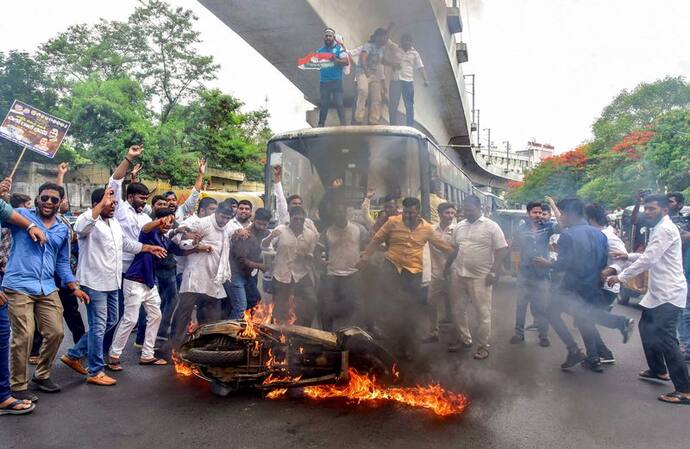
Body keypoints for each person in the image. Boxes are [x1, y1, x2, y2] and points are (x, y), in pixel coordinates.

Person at [3, 182, 89, 397]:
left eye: (54, 199)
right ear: (37, 199)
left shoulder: (62, 228)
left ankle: (41, 375)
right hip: (18, 285)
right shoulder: (22, 215)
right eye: (44, 198)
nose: (48, 202)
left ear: (61, 203)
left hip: (47, 286)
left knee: (56, 332)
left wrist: (73, 285)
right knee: (24, 335)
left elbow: (61, 262)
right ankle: (18, 386)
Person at [607, 195, 690, 405]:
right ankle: (658, 370)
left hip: (669, 293)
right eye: (646, 208)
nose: (648, 212)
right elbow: (651, 255)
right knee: (646, 328)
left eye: (652, 209)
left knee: (667, 339)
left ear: (664, 210)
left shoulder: (665, 229)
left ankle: (685, 389)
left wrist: (621, 276)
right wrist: (628, 256)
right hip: (659, 293)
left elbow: (649, 259)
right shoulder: (660, 228)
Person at [534, 198, 633, 372]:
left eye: (562, 213)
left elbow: (565, 264)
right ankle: (594, 358)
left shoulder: (568, 235)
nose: (561, 217)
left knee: (552, 312)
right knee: (585, 317)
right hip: (592, 284)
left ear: (571, 214)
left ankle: (575, 349)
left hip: (572, 285)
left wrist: (547, 263)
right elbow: (602, 262)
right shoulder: (600, 235)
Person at [360, 197, 455, 358]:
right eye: (405, 213)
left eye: (411, 213)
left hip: (413, 273)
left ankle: (408, 345)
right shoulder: (392, 222)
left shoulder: (427, 229)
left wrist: (450, 265)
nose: (407, 216)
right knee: (391, 307)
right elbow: (377, 239)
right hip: (391, 268)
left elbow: (447, 249)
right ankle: (393, 343)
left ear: (418, 212)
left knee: (410, 310)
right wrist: (364, 258)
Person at [109, 210, 203, 369]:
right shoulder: (148, 234)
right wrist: (161, 222)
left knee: (155, 316)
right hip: (135, 281)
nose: (168, 224)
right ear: (157, 221)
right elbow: (146, 227)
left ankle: (147, 355)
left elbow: (181, 251)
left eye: (171, 222)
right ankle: (114, 356)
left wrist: (198, 246)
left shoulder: (164, 239)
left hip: (149, 283)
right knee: (130, 320)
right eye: (165, 221)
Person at [60, 187, 131, 386]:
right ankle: (95, 370)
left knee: (111, 321)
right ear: (97, 204)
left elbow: (125, 244)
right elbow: (80, 228)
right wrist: (102, 204)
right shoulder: (87, 220)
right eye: (110, 202)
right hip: (94, 283)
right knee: (99, 327)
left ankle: (74, 354)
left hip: (113, 282)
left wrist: (146, 248)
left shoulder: (115, 223)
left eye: (115, 203)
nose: (113, 206)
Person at [104, 146, 167, 354]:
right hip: (121, 269)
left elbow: (154, 231)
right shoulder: (121, 208)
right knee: (119, 315)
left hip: (142, 270)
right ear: (130, 197)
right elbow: (115, 182)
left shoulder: (145, 217)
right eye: (141, 198)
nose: (144, 203)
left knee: (145, 314)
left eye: (146, 199)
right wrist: (129, 158)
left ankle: (139, 351)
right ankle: (104, 353)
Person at [0, 177, 46, 414]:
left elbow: (6, 212)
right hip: (11, 283)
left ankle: (4, 395)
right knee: (16, 334)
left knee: (4, 335)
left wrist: (30, 226)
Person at [446, 195, 509, 359]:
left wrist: (494, 271)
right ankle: (464, 339)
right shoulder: (459, 226)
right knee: (458, 310)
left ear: (479, 207)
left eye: (470, 210)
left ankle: (483, 346)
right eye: (465, 210)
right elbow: (454, 248)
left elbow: (502, 250)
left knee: (482, 313)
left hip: (481, 277)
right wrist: (447, 267)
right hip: (459, 274)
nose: (467, 213)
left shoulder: (491, 227)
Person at [171, 199, 235, 347]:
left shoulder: (227, 227)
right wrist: (196, 244)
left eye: (228, 218)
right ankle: (174, 348)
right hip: (195, 276)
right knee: (184, 314)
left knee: (213, 318)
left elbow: (233, 234)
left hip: (214, 278)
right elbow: (182, 243)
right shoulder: (202, 223)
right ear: (217, 213)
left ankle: (208, 349)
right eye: (222, 217)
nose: (224, 221)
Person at [262, 206, 319, 326]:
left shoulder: (310, 235)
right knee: (280, 307)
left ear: (304, 219)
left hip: (301, 274)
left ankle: (303, 330)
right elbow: (264, 246)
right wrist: (271, 236)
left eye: (301, 219)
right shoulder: (281, 230)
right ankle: (277, 333)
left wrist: (308, 257)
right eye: (296, 219)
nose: (298, 222)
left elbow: (311, 252)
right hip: (281, 274)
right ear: (291, 218)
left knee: (311, 301)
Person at [585, 203, 627, 364]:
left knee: (585, 316)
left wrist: (610, 270)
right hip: (598, 285)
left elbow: (624, 260)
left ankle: (621, 322)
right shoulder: (596, 233)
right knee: (585, 319)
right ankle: (604, 354)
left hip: (608, 286)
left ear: (591, 219)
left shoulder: (610, 237)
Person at [319, 203, 369, 330]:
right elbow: (318, 250)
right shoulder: (327, 232)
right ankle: (326, 335)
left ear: (346, 213)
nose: (339, 214)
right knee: (328, 306)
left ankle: (356, 335)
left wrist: (363, 259)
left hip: (353, 274)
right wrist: (320, 260)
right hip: (332, 275)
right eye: (336, 212)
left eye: (341, 212)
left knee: (356, 306)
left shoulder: (359, 229)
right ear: (333, 215)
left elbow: (368, 247)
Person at [510, 202, 553, 348]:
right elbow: (515, 248)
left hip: (542, 275)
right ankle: (519, 334)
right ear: (528, 214)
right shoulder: (521, 229)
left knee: (542, 306)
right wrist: (515, 268)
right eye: (535, 212)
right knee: (521, 305)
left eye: (540, 213)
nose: (538, 215)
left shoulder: (548, 227)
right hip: (525, 274)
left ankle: (543, 336)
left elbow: (562, 225)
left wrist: (552, 204)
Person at [228, 207, 272, 316]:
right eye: (259, 224)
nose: (262, 227)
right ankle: (230, 330)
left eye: (265, 225)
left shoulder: (266, 233)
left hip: (250, 274)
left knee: (253, 300)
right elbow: (241, 260)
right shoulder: (244, 234)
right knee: (240, 306)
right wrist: (260, 266)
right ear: (254, 219)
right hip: (236, 274)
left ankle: (248, 328)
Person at [423, 202, 456, 343]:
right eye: (447, 213)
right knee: (431, 302)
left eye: (452, 213)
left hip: (453, 273)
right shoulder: (431, 229)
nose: (450, 216)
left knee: (456, 305)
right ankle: (433, 332)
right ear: (440, 214)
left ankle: (457, 336)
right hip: (436, 273)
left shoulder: (457, 230)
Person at [666, 192, 690, 360]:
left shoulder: (684, 221)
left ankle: (685, 346)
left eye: (671, 202)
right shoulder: (668, 223)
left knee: (685, 311)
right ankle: (685, 345)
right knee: (683, 311)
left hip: (682, 271)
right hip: (680, 271)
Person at [388, 34, 428, 127]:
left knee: (409, 105)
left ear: (411, 42)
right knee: (393, 104)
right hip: (395, 80)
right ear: (402, 42)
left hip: (408, 81)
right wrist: (390, 28)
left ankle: (410, 126)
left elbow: (420, 67)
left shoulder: (415, 53)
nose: (407, 44)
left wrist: (425, 80)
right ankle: (392, 125)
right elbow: (386, 40)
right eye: (405, 42)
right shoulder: (395, 48)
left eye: (409, 42)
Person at [353, 28, 389, 125]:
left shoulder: (381, 48)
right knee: (363, 91)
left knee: (377, 97)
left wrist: (392, 64)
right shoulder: (368, 46)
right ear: (378, 37)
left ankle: (374, 120)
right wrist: (366, 71)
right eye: (384, 38)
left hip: (373, 74)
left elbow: (381, 59)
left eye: (386, 38)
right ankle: (359, 118)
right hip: (362, 72)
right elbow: (363, 58)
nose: (385, 40)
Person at [316, 27, 348, 127]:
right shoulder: (319, 51)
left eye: (330, 36)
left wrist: (336, 60)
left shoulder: (339, 49)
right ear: (324, 38)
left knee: (338, 103)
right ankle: (321, 124)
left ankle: (343, 124)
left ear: (333, 37)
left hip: (336, 81)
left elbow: (346, 61)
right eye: (326, 36)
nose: (328, 38)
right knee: (324, 104)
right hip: (324, 81)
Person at [272, 165, 318, 233]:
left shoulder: (308, 223)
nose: (297, 205)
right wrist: (277, 178)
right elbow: (280, 198)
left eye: (299, 204)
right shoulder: (284, 216)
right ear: (288, 206)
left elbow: (316, 238)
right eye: (294, 203)